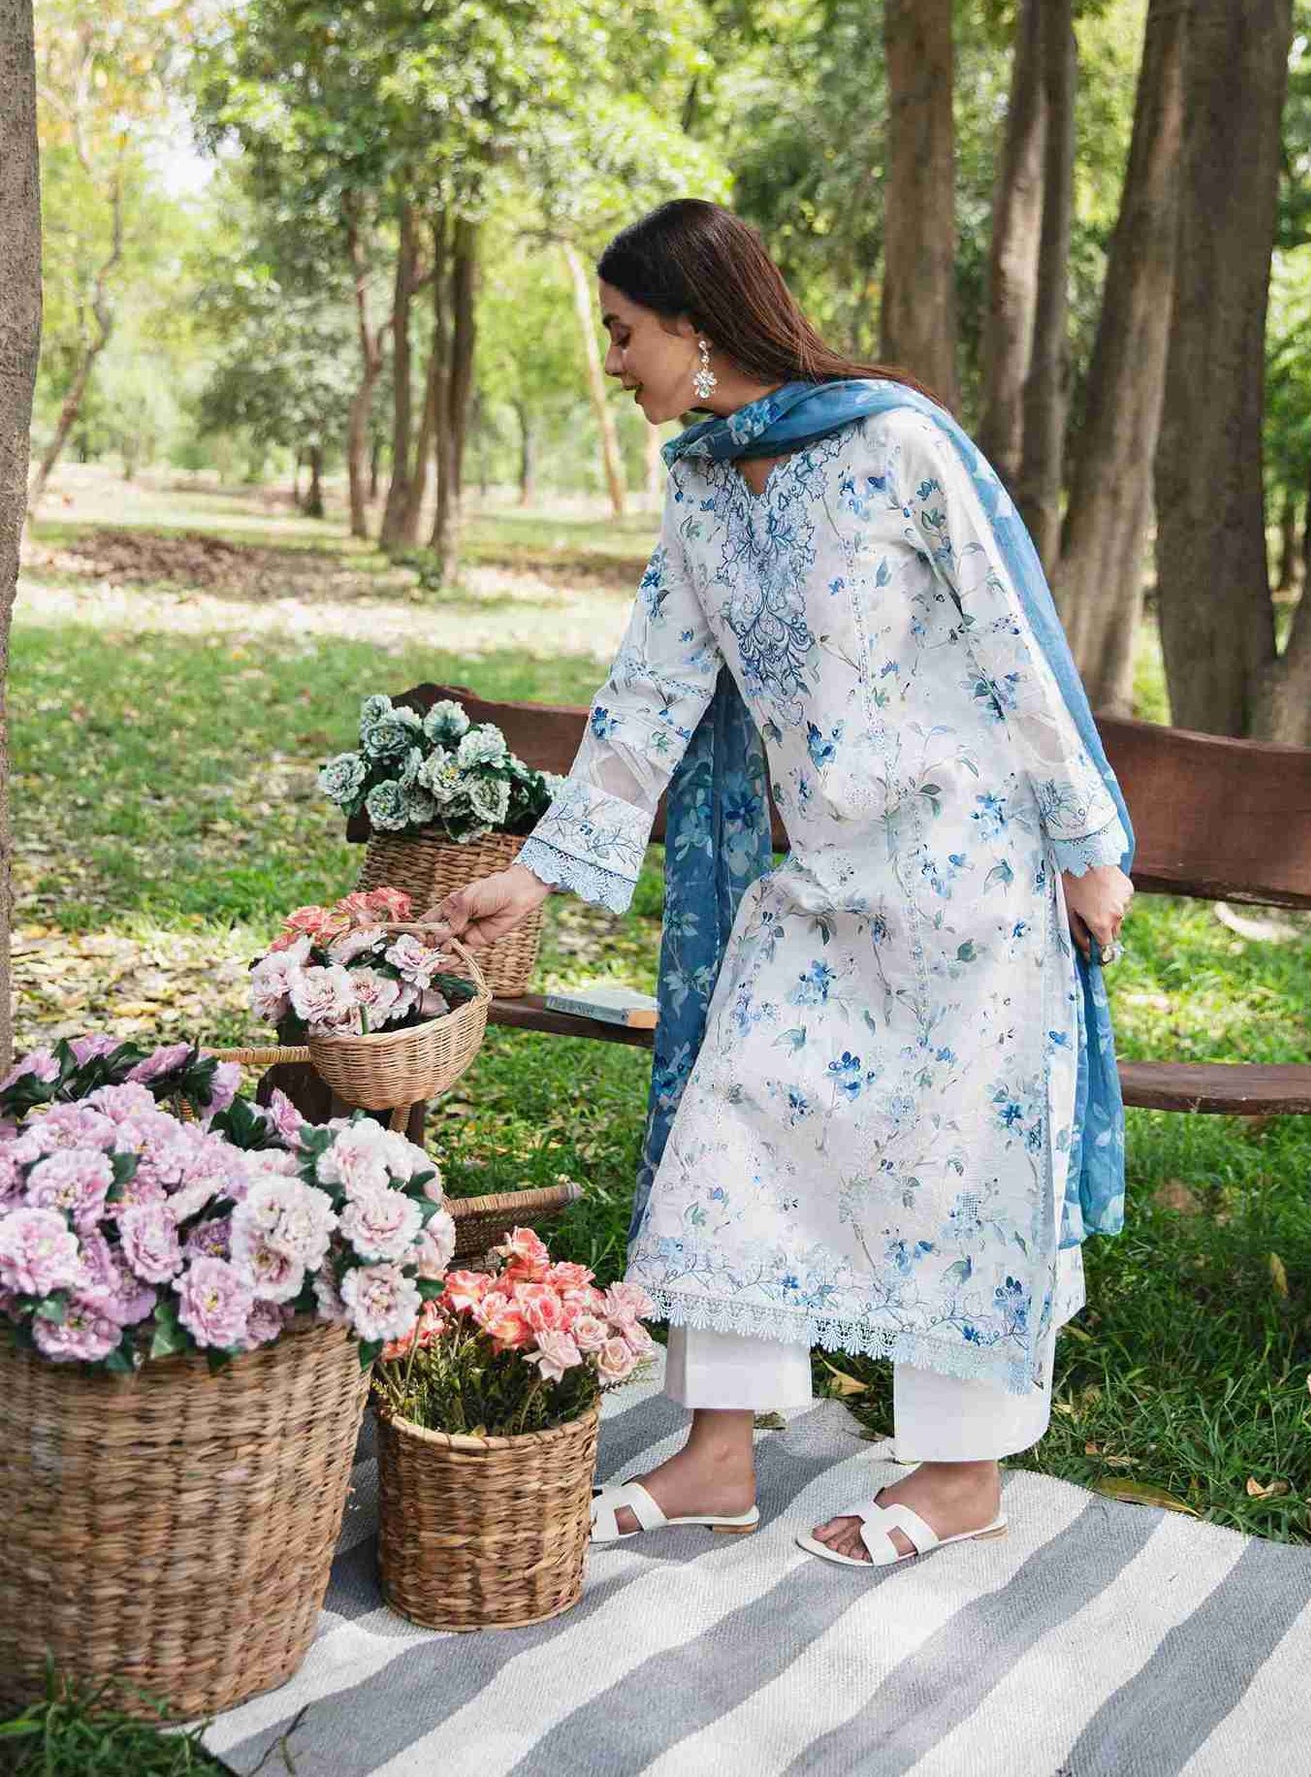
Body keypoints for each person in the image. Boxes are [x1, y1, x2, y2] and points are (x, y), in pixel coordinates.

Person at [438, 198, 1135, 1569]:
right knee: (732, 1127)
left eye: (624, 332)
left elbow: (1011, 645)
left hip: (963, 875)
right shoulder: (701, 486)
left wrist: (1086, 847)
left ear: (697, 327)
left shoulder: (893, 443)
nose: (613, 360)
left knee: (954, 1171)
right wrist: (533, 874)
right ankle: (714, 1457)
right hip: (816, 885)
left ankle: (956, 1477)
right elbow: (647, 694)